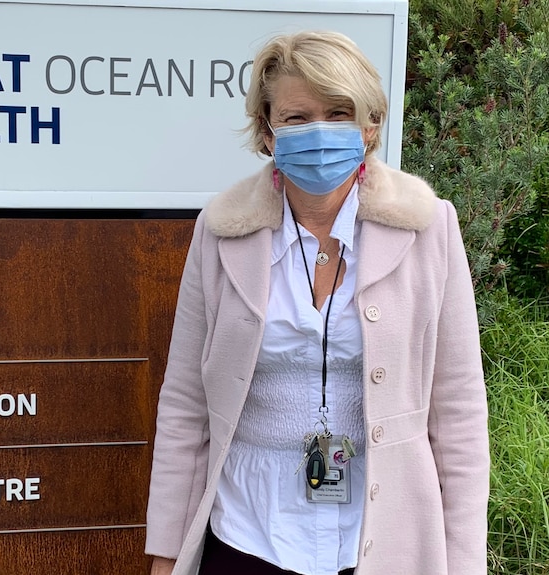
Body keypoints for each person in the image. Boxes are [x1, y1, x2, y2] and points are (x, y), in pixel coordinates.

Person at [145, 31, 489, 575]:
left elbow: (460, 413)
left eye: (339, 112)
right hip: (247, 534)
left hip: (384, 540)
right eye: (298, 118)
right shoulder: (221, 232)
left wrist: (466, 562)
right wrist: (166, 556)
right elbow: (186, 405)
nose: (321, 133)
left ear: (370, 125)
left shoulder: (428, 228)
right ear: (267, 131)